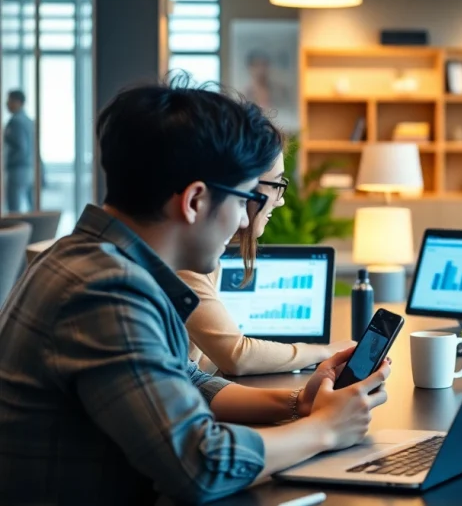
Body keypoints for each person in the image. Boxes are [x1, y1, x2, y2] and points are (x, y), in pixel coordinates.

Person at [0, 81, 391, 505]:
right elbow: (199, 466)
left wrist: (300, 402)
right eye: (243, 200)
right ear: (194, 201)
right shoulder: (106, 291)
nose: (245, 221)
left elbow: (181, 378)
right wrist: (326, 430)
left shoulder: (92, 259)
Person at [178, 150, 350, 375]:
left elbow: (196, 377)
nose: (280, 201)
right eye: (276, 185)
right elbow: (236, 356)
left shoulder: (204, 257)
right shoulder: (187, 261)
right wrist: (326, 352)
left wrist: (300, 400)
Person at [3, 89, 34, 212]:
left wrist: (9, 162)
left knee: (13, 210)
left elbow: (22, 147)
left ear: (18, 102)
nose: (7, 104)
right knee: (31, 207)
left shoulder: (15, 121)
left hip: (17, 169)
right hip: (29, 169)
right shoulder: (28, 120)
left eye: (10, 101)